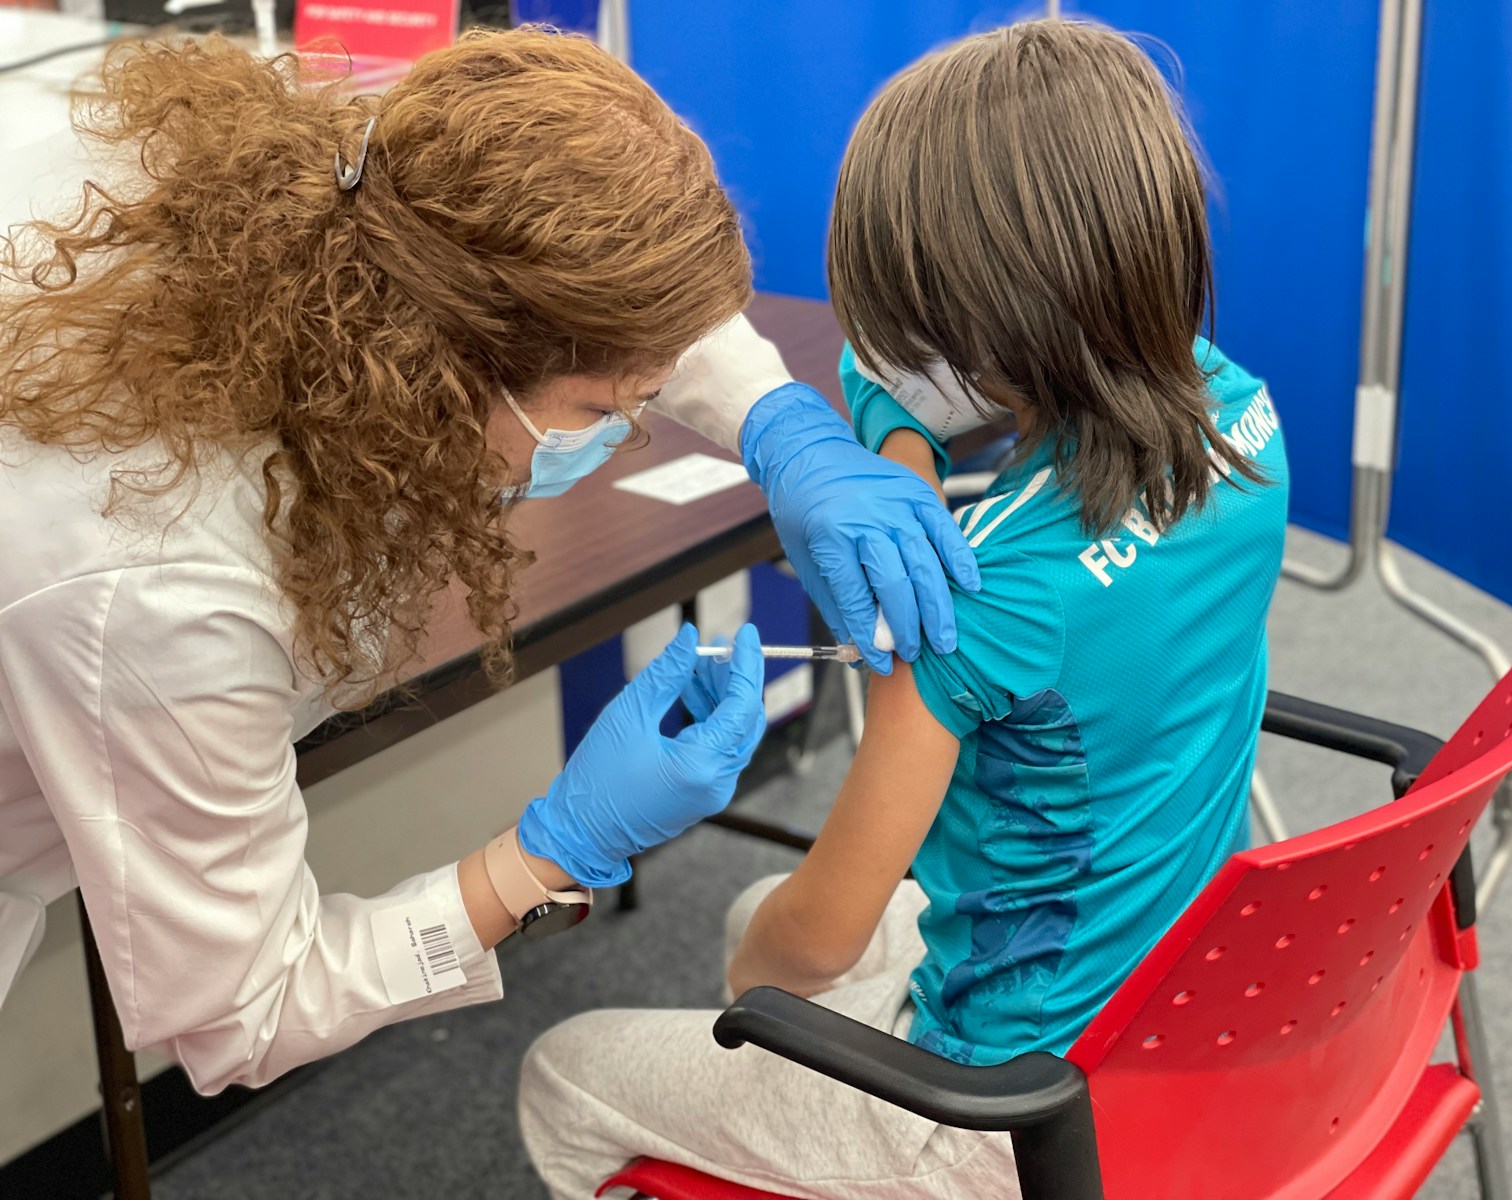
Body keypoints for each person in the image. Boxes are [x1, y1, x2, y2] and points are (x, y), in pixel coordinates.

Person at [0, 28, 976, 1092]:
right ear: (434, 358)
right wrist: (548, 854)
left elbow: (582, 290)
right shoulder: (165, 588)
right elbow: (243, 1014)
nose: (630, 428)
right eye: (604, 411)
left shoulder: (368, 195)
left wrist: (779, 421)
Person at [519, 18, 1290, 1199]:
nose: (887, 343)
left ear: (978, 326)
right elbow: (881, 378)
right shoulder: (1239, 415)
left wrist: (755, 993)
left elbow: (812, 943)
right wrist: (898, 471)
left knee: (580, 1059)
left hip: (999, 1113)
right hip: (1173, 994)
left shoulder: (969, 612)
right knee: (743, 907)